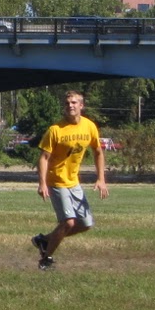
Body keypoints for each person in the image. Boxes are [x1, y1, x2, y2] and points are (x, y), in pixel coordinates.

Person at [33, 90, 108, 271]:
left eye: (74, 102)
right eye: (67, 103)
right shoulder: (55, 130)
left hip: (73, 182)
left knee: (85, 224)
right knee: (68, 222)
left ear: (81, 105)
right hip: (56, 181)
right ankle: (46, 259)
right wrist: (42, 183)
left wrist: (101, 179)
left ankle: (44, 240)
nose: (70, 106)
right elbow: (43, 158)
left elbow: (98, 152)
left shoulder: (89, 126)